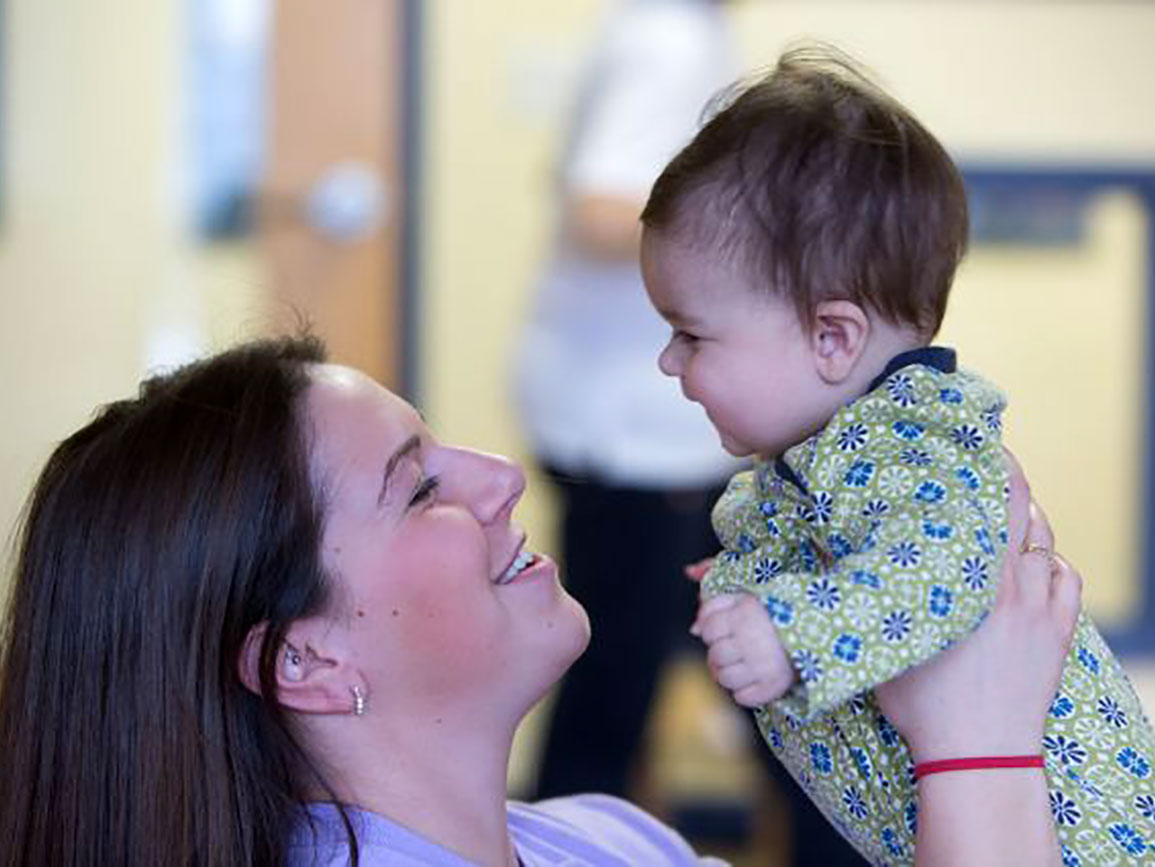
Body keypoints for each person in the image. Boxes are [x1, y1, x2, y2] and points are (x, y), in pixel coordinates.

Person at [0, 336, 1082, 865]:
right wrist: (979, 746)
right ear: (304, 662)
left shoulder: (601, 839)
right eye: (420, 485)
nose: (500, 478)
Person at [639, 46, 1155, 865]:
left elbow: (945, 568)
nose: (669, 362)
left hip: (1070, 835)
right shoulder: (823, 458)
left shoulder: (908, 440)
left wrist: (789, 628)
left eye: (689, 333)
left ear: (832, 337)